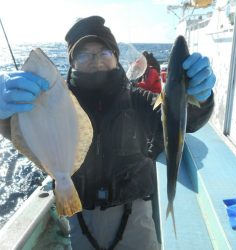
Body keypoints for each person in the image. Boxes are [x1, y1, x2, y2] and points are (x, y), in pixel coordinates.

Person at [0, 16, 216, 250]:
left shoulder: (139, 100)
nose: (96, 61)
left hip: (135, 218)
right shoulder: (54, 105)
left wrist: (199, 98)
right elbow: (24, 133)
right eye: (84, 54)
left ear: (116, 57)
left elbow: (181, 119)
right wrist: (4, 115)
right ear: (72, 62)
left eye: (104, 52)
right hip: (79, 216)